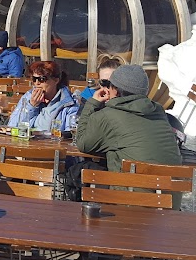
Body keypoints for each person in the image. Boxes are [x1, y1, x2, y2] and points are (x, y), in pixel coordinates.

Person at [72, 64, 184, 207]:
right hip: (168, 204)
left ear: (116, 90)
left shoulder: (109, 115)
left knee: (77, 172)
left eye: (109, 84)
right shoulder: (158, 111)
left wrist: (92, 103)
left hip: (133, 203)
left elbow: (83, 143)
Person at [8, 60, 79, 131]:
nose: (37, 83)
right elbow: (12, 126)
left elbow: (70, 133)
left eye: (42, 79)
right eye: (34, 79)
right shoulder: (28, 97)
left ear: (56, 80)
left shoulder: (69, 103)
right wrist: (31, 106)